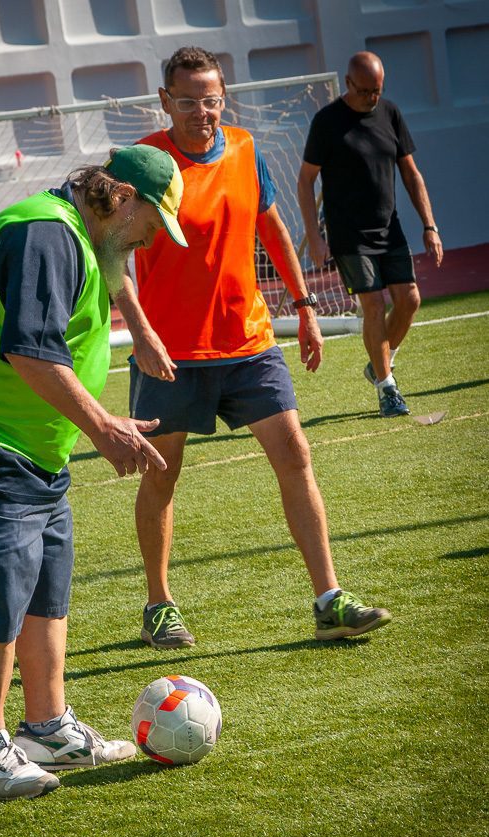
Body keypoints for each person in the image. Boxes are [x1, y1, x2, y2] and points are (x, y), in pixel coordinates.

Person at [0, 145, 188, 801]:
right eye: (151, 225)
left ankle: (47, 728)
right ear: (123, 201)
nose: (149, 242)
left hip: (25, 452)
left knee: (45, 588)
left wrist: (136, 331)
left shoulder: (78, 235)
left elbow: (105, 290)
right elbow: (29, 350)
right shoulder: (46, 235)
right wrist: (104, 427)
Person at [113, 46, 391, 650]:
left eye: (211, 100)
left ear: (223, 98)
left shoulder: (243, 147)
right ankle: (159, 606)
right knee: (162, 476)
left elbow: (272, 226)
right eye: (187, 101)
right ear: (166, 102)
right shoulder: (141, 162)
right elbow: (111, 254)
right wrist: (139, 331)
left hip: (249, 342)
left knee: (295, 454)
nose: (202, 112)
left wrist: (305, 304)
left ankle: (329, 600)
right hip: (171, 353)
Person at [298, 50, 443, 418]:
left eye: (377, 90)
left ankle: (381, 362)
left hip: (388, 227)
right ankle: (387, 388)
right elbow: (305, 180)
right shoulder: (327, 122)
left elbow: (410, 174)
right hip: (349, 234)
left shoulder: (390, 113)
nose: (371, 98)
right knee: (374, 305)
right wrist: (315, 237)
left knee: (409, 300)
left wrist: (430, 225)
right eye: (364, 91)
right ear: (348, 84)